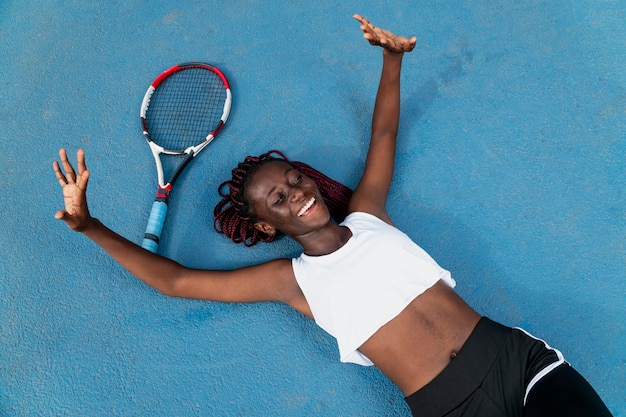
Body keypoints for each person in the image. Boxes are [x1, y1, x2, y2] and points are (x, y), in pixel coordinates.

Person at [53, 15, 613, 417]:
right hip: (450, 407)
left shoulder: (367, 216)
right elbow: (174, 281)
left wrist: (392, 60)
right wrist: (89, 225)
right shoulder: (290, 281)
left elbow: (385, 134)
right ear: (267, 226)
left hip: (518, 363)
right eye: (278, 198)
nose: (295, 192)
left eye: (294, 179)